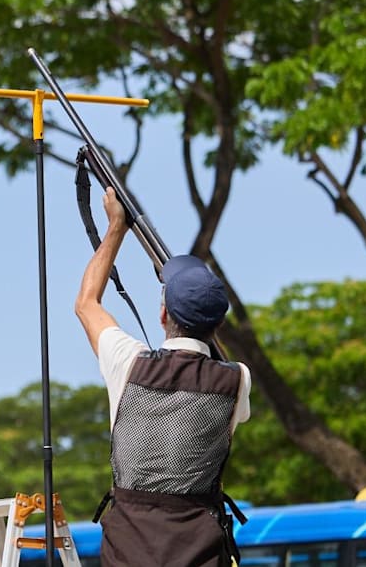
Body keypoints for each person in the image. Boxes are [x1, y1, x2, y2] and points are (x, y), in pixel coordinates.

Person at [75, 187, 252, 567]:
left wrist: (116, 229)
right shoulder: (237, 379)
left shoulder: (129, 362)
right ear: (219, 324)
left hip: (127, 553)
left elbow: (87, 303)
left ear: (162, 316)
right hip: (199, 554)